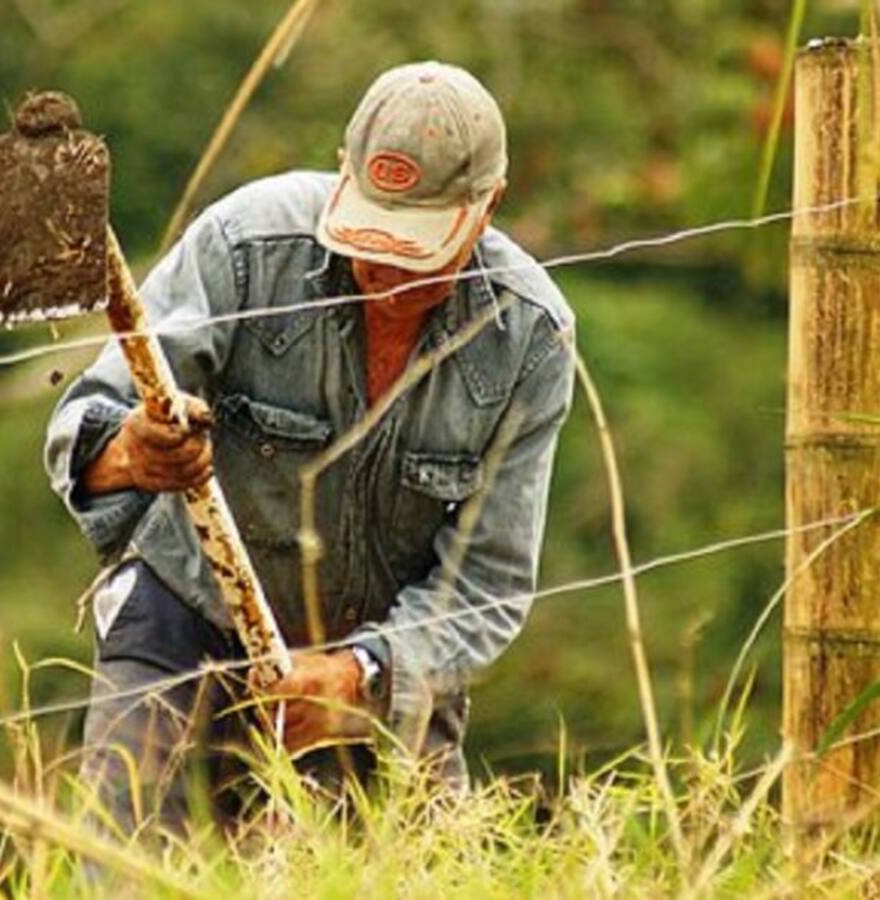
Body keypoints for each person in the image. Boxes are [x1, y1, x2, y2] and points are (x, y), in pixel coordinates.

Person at [44, 60, 575, 831]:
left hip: (383, 672)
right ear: (343, 174)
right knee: (124, 869)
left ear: (488, 206)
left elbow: (487, 583)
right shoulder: (244, 246)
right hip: (184, 624)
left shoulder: (529, 337)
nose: (387, 270)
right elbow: (87, 423)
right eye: (372, 239)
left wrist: (358, 678)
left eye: (417, 250)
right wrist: (132, 452)